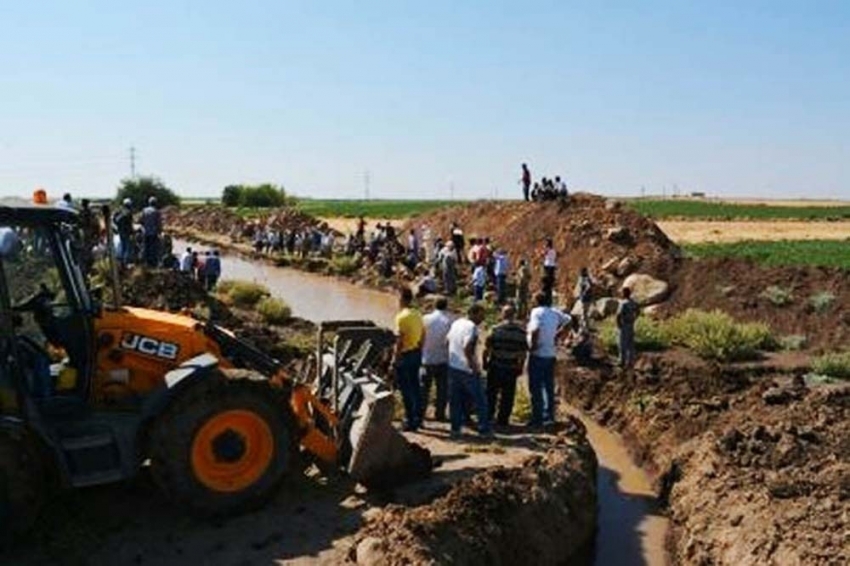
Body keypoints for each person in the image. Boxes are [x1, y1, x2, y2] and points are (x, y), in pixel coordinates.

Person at [446, 302, 491, 438]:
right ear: (474, 313)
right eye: (481, 315)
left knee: (456, 399)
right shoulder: (472, 328)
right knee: (480, 400)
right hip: (467, 369)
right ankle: (484, 430)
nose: (482, 319)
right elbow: (468, 348)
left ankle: (455, 429)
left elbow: (446, 342)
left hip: (453, 367)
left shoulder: (456, 323)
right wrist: (473, 366)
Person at [527, 292, 570, 427]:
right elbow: (569, 321)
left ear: (537, 301)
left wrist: (532, 347)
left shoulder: (536, 312)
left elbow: (535, 330)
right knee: (548, 386)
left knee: (535, 387)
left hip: (538, 354)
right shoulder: (555, 312)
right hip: (550, 354)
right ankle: (549, 417)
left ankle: (537, 419)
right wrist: (559, 335)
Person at [483, 304, 528, 427]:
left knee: (491, 393)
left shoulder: (495, 329)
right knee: (508, 395)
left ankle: (488, 416)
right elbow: (523, 353)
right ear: (514, 315)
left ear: (503, 314)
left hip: (496, 365)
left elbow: (487, 349)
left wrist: (485, 362)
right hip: (511, 367)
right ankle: (503, 420)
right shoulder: (521, 332)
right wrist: (520, 367)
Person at [393, 287, 425, 431]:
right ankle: (419, 418)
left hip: (405, 355)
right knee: (415, 387)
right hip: (416, 353)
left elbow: (399, 340)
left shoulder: (401, 317)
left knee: (405, 389)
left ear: (402, 299)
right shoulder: (418, 314)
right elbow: (424, 334)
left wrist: (395, 358)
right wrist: (419, 349)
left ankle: (410, 420)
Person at [420, 296, 452, 422]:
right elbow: (450, 341)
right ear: (446, 305)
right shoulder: (449, 321)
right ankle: (440, 414)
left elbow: (420, 338)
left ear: (434, 305)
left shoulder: (425, 319)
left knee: (424, 388)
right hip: (443, 359)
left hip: (427, 358)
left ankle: (421, 412)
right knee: (442, 389)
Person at [616, 287, 640, 369]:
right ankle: (630, 361)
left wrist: (619, 325)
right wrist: (634, 318)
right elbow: (638, 310)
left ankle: (622, 361)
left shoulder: (623, 303)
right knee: (630, 344)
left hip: (624, 325)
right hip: (631, 324)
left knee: (622, 344)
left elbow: (618, 315)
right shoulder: (633, 303)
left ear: (624, 293)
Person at [140, 196, 162, 267]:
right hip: (153, 233)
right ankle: (152, 263)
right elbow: (158, 223)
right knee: (153, 248)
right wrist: (160, 231)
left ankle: (145, 261)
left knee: (146, 247)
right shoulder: (156, 211)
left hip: (145, 232)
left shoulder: (144, 210)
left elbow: (141, 221)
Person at [114, 198, 134, 267]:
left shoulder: (119, 211)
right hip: (126, 232)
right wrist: (132, 232)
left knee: (122, 246)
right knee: (127, 247)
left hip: (120, 231)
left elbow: (114, 219)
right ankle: (125, 263)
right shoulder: (128, 212)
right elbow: (130, 224)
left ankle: (121, 262)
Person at [541, 238, 557, 303]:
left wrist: (544, 249)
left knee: (546, 282)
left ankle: (545, 297)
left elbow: (543, 254)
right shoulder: (554, 251)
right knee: (550, 283)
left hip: (548, 266)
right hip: (552, 266)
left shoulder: (548, 250)